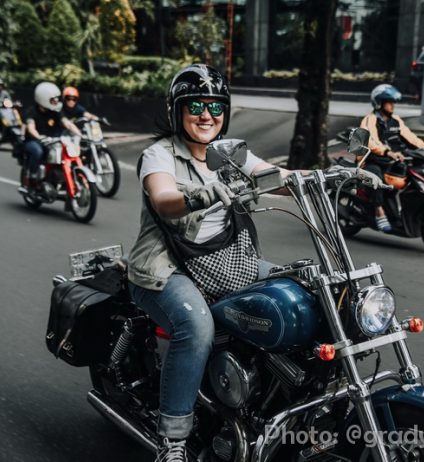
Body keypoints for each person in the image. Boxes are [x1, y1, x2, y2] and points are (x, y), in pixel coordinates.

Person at [128, 64, 361, 462]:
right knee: (197, 327)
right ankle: (173, 440)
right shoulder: (160, 155)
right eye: (195, 105)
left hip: (230, 261)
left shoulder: (230, 153)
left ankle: (297, 397)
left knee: (313, 292)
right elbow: (164, 198)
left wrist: (331, 176)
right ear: (176, 110)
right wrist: (200, 194)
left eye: (216, 106)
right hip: (167, 268)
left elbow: (278, 177)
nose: (206, 115)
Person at [360, 84, 424, 232]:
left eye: (393, 102)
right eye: (389, 102)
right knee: (376, 177)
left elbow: (411, 138)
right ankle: (379, 211)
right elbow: (370, 141)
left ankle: (403, 213)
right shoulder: (370, 120)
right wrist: (387, 152)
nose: (393, 105)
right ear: (379, 103)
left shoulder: (396, 120)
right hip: (371, 159)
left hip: (392, 160)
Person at [23, 82, 82, 189]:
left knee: (68, 154)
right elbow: (31, 128)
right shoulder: (31, 112)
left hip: (53, 141)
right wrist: (39, 137)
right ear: (43, 98)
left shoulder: (56, 111)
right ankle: (33, 176)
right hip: (35, 141)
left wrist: (79, 134)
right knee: (38, 152)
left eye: (56, 99)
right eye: (53, 100)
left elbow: (67, 123)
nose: (56, 101)